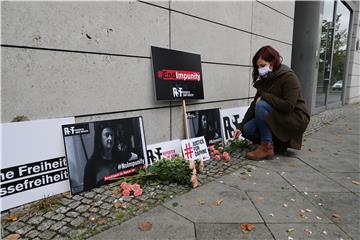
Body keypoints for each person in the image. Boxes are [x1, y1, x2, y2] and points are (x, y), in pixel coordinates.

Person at [233, 45, 310, 160]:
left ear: (273, 62)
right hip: (277, 114)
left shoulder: (289, 77)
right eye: (258, 67)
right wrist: (240, 126)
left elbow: (288, 106)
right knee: (248, 129)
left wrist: (264, 96)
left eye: (262, 66)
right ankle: (278, 145)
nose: (260, 69)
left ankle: (267, 148)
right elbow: (253, 106)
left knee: (262, 104)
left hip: (295, 117)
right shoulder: (265, 79)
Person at [83, 123, 120, 190]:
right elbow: (87, 189)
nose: (110, 138)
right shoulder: (91, 164)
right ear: (100, 138)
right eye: (107, 135)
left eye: (112, 135)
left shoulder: (120, 158)